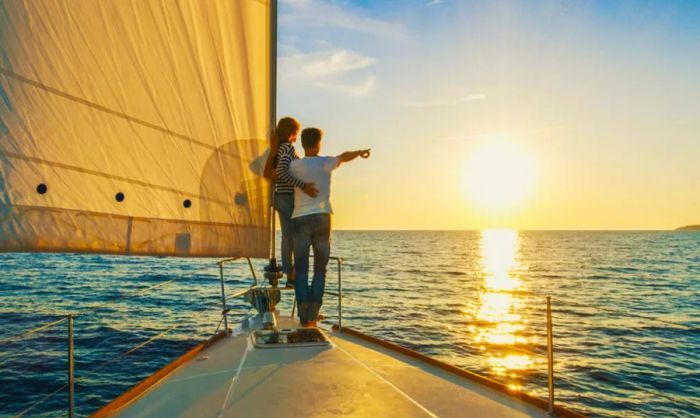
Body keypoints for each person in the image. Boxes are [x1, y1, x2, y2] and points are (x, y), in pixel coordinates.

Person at [289, 127, 370, 326]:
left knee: (301, 269)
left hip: (299, 218)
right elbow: (344, 156)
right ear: (318, 144)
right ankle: (313, 312)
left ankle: (303, 312)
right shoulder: (325, 163)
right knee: (319, 268)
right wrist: (359, 153)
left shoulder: (294, 166)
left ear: (302, 144)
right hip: (322, 219)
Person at [263, 117, 318, 288]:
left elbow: (278, 171)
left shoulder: (279, 148)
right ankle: (292, 275)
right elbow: (281, 172)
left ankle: (291, 276)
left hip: (281, 197)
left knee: (288, 237)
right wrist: (303, 185)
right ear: (293, 134)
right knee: (297, 236)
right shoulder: (287, 148)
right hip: (287, 197)